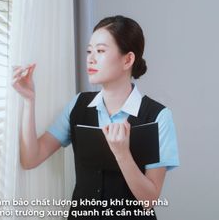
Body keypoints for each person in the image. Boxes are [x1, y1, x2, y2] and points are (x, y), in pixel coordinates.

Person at [11, 15, 180, 219]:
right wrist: (29, 101)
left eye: (100, 51)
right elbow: (31, 158)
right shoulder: (78, 105)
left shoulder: (158, 116)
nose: (90, 58)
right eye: (89, 51)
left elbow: (149, 200)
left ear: (127, 59)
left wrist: (122, 154)